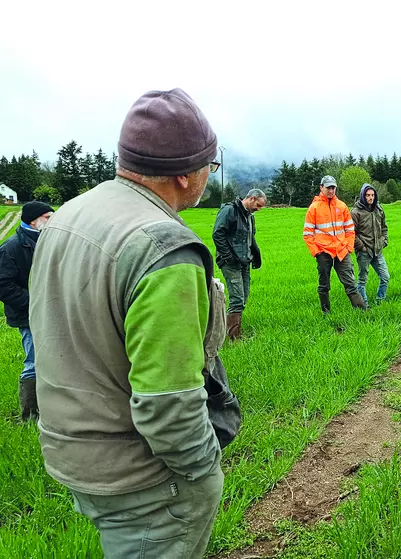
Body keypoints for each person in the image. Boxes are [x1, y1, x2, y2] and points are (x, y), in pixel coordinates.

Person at [29, 89, 228, 557]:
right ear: (185, 174)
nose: (208, 175)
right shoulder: (163, 248)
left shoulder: (71, 214)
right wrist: (204, 469)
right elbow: (168, 402)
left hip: (72, 451)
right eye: (210, 165)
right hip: (142, 478)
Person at [0, 201, 53, 420]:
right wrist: (34, 302)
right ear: (33, 220)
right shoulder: (12, 247)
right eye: (48, 217)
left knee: (53, 362)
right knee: (34, 362)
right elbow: (3, 284)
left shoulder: (48, 241)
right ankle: (30, 416)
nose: (52, 221)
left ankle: (51, 411)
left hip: (50, 312)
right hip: (27, 316)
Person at [303, 175, 367, 313]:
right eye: (328, 187)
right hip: (323, 252)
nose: (331, 190)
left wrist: (349, 247)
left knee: (350, 283)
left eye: (333, 187)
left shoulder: (342, 206)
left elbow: (350, 230)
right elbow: (307, 234)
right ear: (321, 187)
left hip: (342, 251)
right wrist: (317, 252)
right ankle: (326, 313)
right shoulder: (314, 208)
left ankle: (362, 312)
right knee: (324, 285)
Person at [212, 188, 266, 340]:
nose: (259, 209)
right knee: (237, 298)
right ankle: (233, 337)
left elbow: (250, 238)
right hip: (231, 262)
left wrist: (255, 256)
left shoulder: (250, 216)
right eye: (258, 205)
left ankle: (231, 329)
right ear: (251, 198)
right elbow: (217, 234)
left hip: (244, 261)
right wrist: (228, 257)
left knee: (244, 296)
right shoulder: (230, 211)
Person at [351, 183, 390, 305]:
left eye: (372, 195)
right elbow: (351, 233)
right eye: (368, 195)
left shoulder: (379, 209)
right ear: (363, 196)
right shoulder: (356, 212)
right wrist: (361, 247)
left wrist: (384, 240)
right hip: (364, 251)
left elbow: (384, 227)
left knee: (385, 277)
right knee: (362, 281)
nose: (370, 198)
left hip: (377, 250)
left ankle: (380, 301)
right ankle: (365, 305)